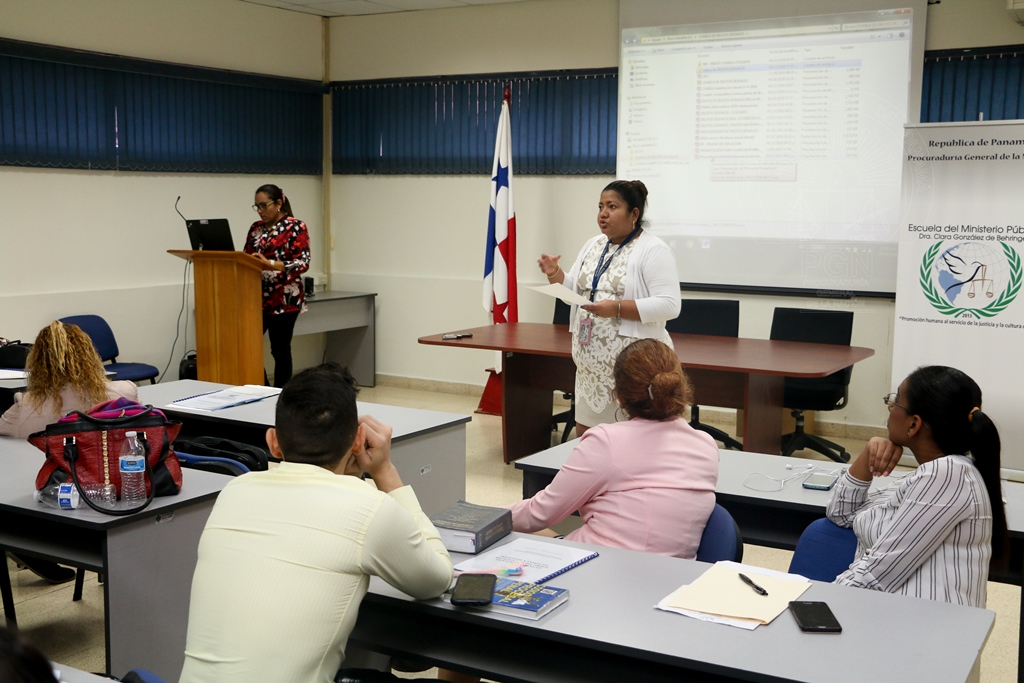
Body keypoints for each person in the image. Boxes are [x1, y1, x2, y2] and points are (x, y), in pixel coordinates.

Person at [179, 363, 453, 683]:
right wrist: (385, 472)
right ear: (358, 440)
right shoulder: (370, 508)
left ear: (273, 442)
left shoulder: (234, 491)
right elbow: (436, 579)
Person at [507, 338, 719, 558]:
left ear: (619, 396)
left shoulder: (606, 442)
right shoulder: (706, 445)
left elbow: (540, 513)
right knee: (545, 535)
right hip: (671, 579)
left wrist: (482, 515)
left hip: (598, 568)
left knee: (510, 540)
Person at [826, 365, 1006, 607]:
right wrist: (867, 454)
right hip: (890, 614)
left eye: (896, 402)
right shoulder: (925, 475)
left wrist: (816, 602)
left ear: (914, 424)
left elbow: (876, 575)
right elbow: (841, 514)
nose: (890, 407)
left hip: (919, 627)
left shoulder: (946, 475)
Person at [537, 180, 679, 435]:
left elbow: (669, 305)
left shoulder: (653, 249)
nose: (603, 213)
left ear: (634, 214)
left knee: (628, 443)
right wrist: (555, 274)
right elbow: (575, 292)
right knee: (589, 442)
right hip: (590, 369)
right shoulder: (593, 245)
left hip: (633, 369)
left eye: (612, 206)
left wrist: (617, 308)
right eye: (601, 206)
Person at [0, 321, 138, 439]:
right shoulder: (126, 394)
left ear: (37, 362)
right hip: (113, 467)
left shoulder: (25, 407)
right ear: (91, 356)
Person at [243, 183, 311, 387]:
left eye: (264, 205)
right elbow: (246, 257)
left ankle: (281, 394)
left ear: (279, 203)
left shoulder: (295, 226)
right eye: (257, 207)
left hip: (285, 299)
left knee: (279, 349)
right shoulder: (256, 228)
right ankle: (262, 389)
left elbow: (303, 262)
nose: (260, 211)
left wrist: (270, 264)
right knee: (249, 345)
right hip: (257, 298)